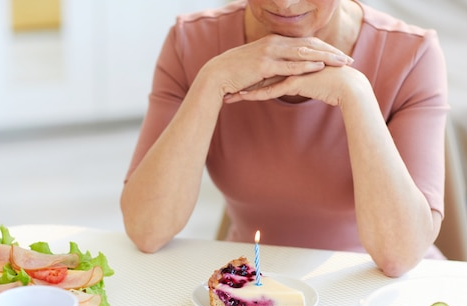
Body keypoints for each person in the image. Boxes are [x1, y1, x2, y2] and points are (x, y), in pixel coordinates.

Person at [120, 0, 448, 277]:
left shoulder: (412, 55)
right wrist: (212, 80)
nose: (285, 4)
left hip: (373, 286)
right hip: (252, 286)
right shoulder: (189, 43)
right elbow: (147, 230)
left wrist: (356, 94)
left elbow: (399, 256)